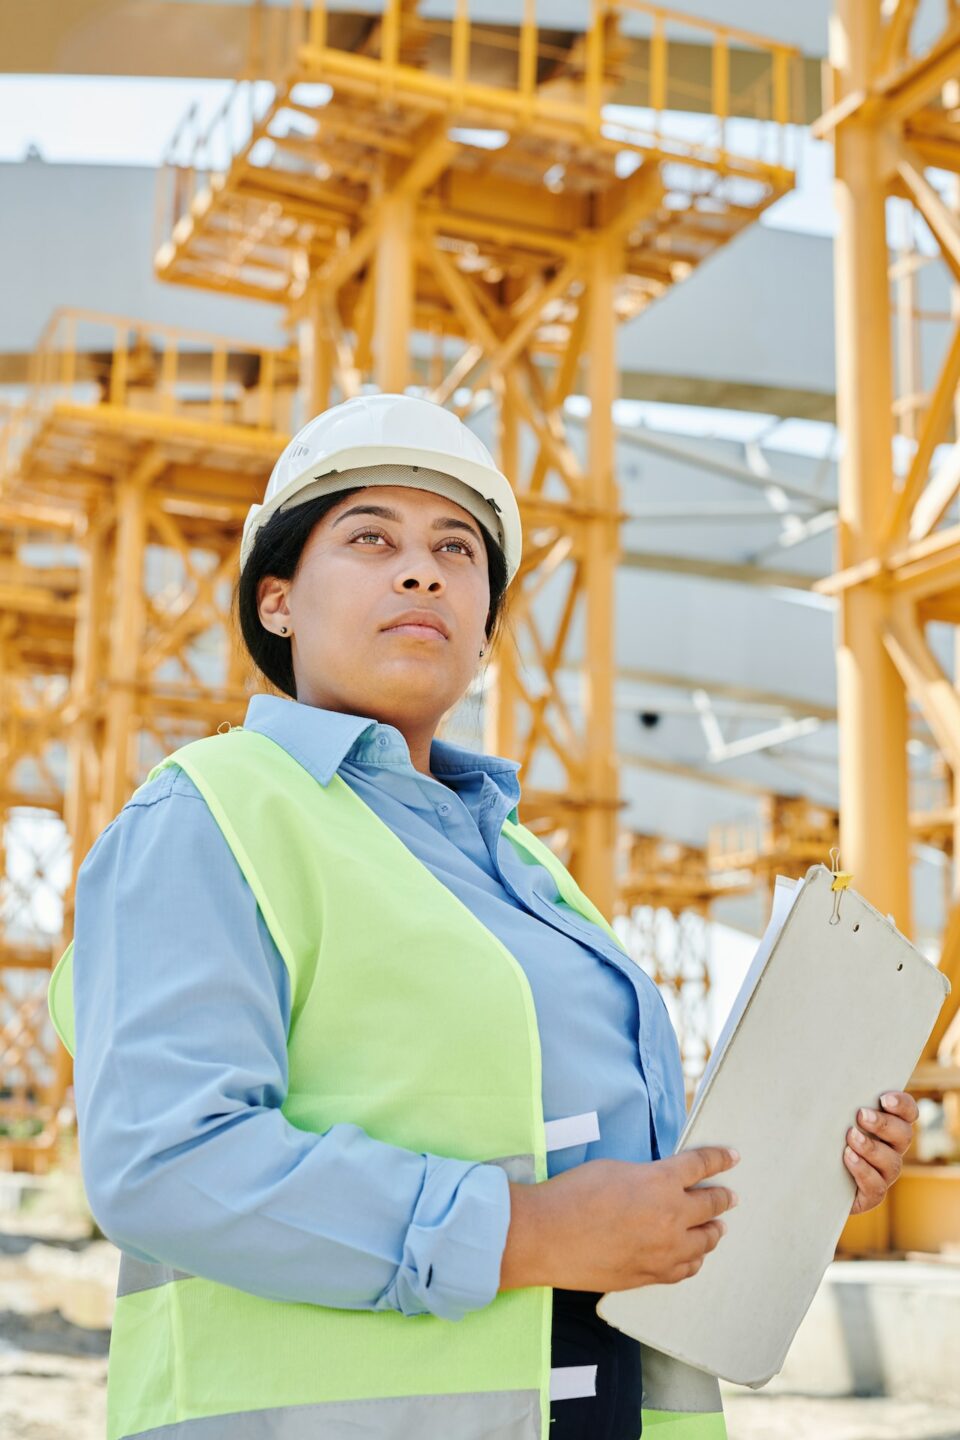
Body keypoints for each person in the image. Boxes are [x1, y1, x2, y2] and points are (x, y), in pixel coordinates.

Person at [48, 393, 919, 1440]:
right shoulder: (210, 814)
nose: (422, 570)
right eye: (371, 538)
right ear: (276, 602)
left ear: (485, 631)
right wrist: (519, 1234)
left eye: (456, 550)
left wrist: (794, 1175)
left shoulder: (525, 870)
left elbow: (616, 1199)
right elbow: (166, 1162)